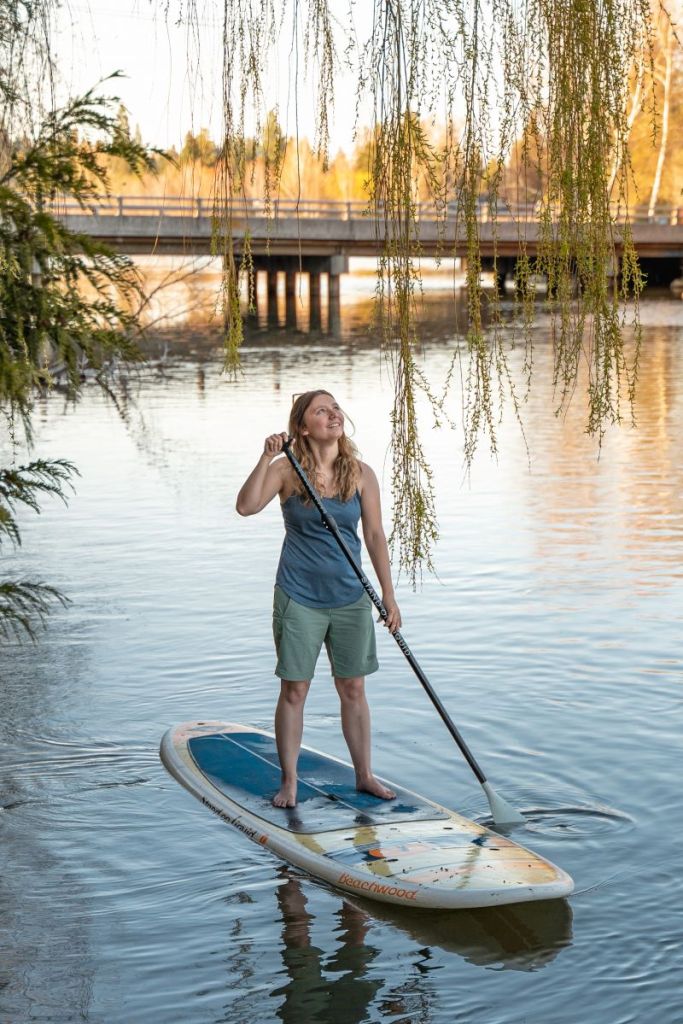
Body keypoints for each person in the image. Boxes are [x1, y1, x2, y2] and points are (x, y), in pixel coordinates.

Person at [236, 389, 401, 808]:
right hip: (299, 595)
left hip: (350, 596)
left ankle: (364, 775)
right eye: (320, 410)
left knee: (353, 688)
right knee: (295, 689)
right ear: (302, 426)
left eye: (335, 408)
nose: (332, 415)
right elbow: (246, 506)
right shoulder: (286, 470)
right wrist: (265, 457)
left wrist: (389, 595)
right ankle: (289, 781)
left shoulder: (361, 473)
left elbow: (376, 536)